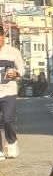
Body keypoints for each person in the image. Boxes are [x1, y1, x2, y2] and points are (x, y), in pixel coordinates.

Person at [0, 25, 25, 158]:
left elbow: (22, 68)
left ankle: (12, 143)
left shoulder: (13, 52)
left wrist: (16, 73)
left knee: (8, 120)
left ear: (4, 37)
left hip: (8, 91)